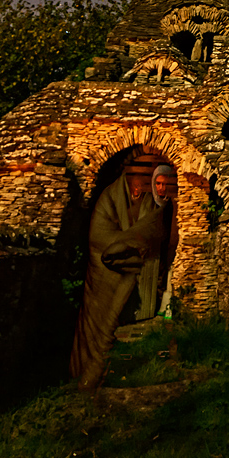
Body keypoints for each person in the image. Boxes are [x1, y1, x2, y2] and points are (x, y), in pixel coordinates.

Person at [69, 150, 171, 390]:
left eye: (141, 186)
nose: (137, 191)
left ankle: (97, 369)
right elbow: (98, 235)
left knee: (113, 322)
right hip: (100, 271)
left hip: (142, 267)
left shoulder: (150, 204)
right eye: (133, 186)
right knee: (95, 320)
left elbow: (150, 228)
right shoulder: (110, 200)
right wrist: (121, 244)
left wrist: (129, 242)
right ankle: (83, 370)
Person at [134, 164, 178, 321]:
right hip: (146, 249)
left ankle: (156, 309)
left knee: (160, 280)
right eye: (158, 183)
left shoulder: (169, 203)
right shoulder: (147, 201)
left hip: (163, 249)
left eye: (164, 184)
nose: (161, 187)